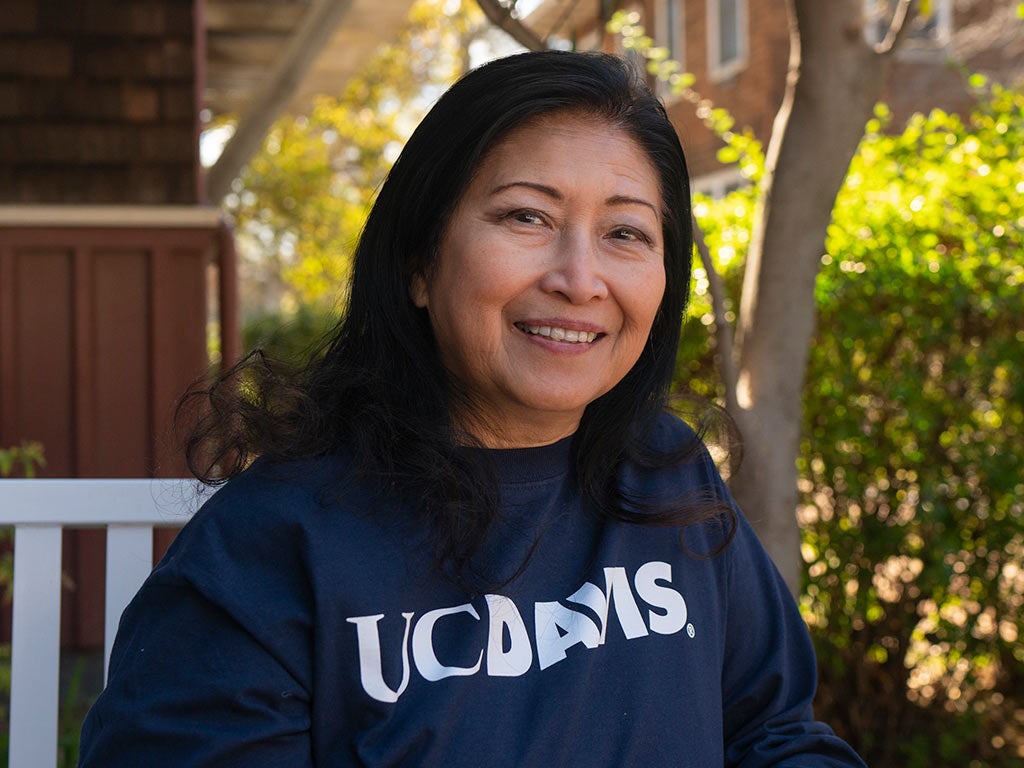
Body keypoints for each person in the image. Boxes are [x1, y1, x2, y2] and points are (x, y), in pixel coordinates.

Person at [78, 50, 865, 767]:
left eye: (626, 232)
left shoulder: (667, 476)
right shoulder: (271, 551)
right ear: (420, 261)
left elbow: (773, 734)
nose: (580, 278)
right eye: (527, 217)